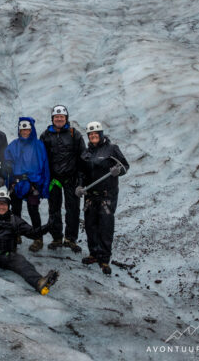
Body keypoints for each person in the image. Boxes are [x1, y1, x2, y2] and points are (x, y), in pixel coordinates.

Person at [76, 121, 129, 275]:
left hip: (107, 195)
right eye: (90, 134)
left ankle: (104, 259)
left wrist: (117, 171)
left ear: (100, 134)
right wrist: (79, 186)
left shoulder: (112, 149)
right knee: (90, 225)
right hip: (90, 195)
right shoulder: (86, 153)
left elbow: (125, 166)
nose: (93, 136)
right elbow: (81, 173)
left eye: (95, 134)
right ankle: (94, 253)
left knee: (105, 226)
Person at [40, 105, 86, 253]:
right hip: (54, 179)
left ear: (66, 118)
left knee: (72, 209)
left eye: (62, 117)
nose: (59, 119)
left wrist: (80, 181)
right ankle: (57, 238)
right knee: (54, 209)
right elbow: (41, 158)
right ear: (52, 118)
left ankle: (70, 239)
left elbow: (82, 158)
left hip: (71, 178)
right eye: (56, 117)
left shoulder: (74, 134)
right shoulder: (45, 135)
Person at [3, 117, 50, 252]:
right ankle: (16, 234)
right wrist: (7, 168)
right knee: (16, 209)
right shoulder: (13, 145)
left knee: (33, 210)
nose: (25, 132)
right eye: (22, 129)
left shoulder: (39, 145)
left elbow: (44, 165)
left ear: (31, 129)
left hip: (33, 183)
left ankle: (38, 237)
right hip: (16, 182)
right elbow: (7, 160)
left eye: (27, 129)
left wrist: (42, 185)